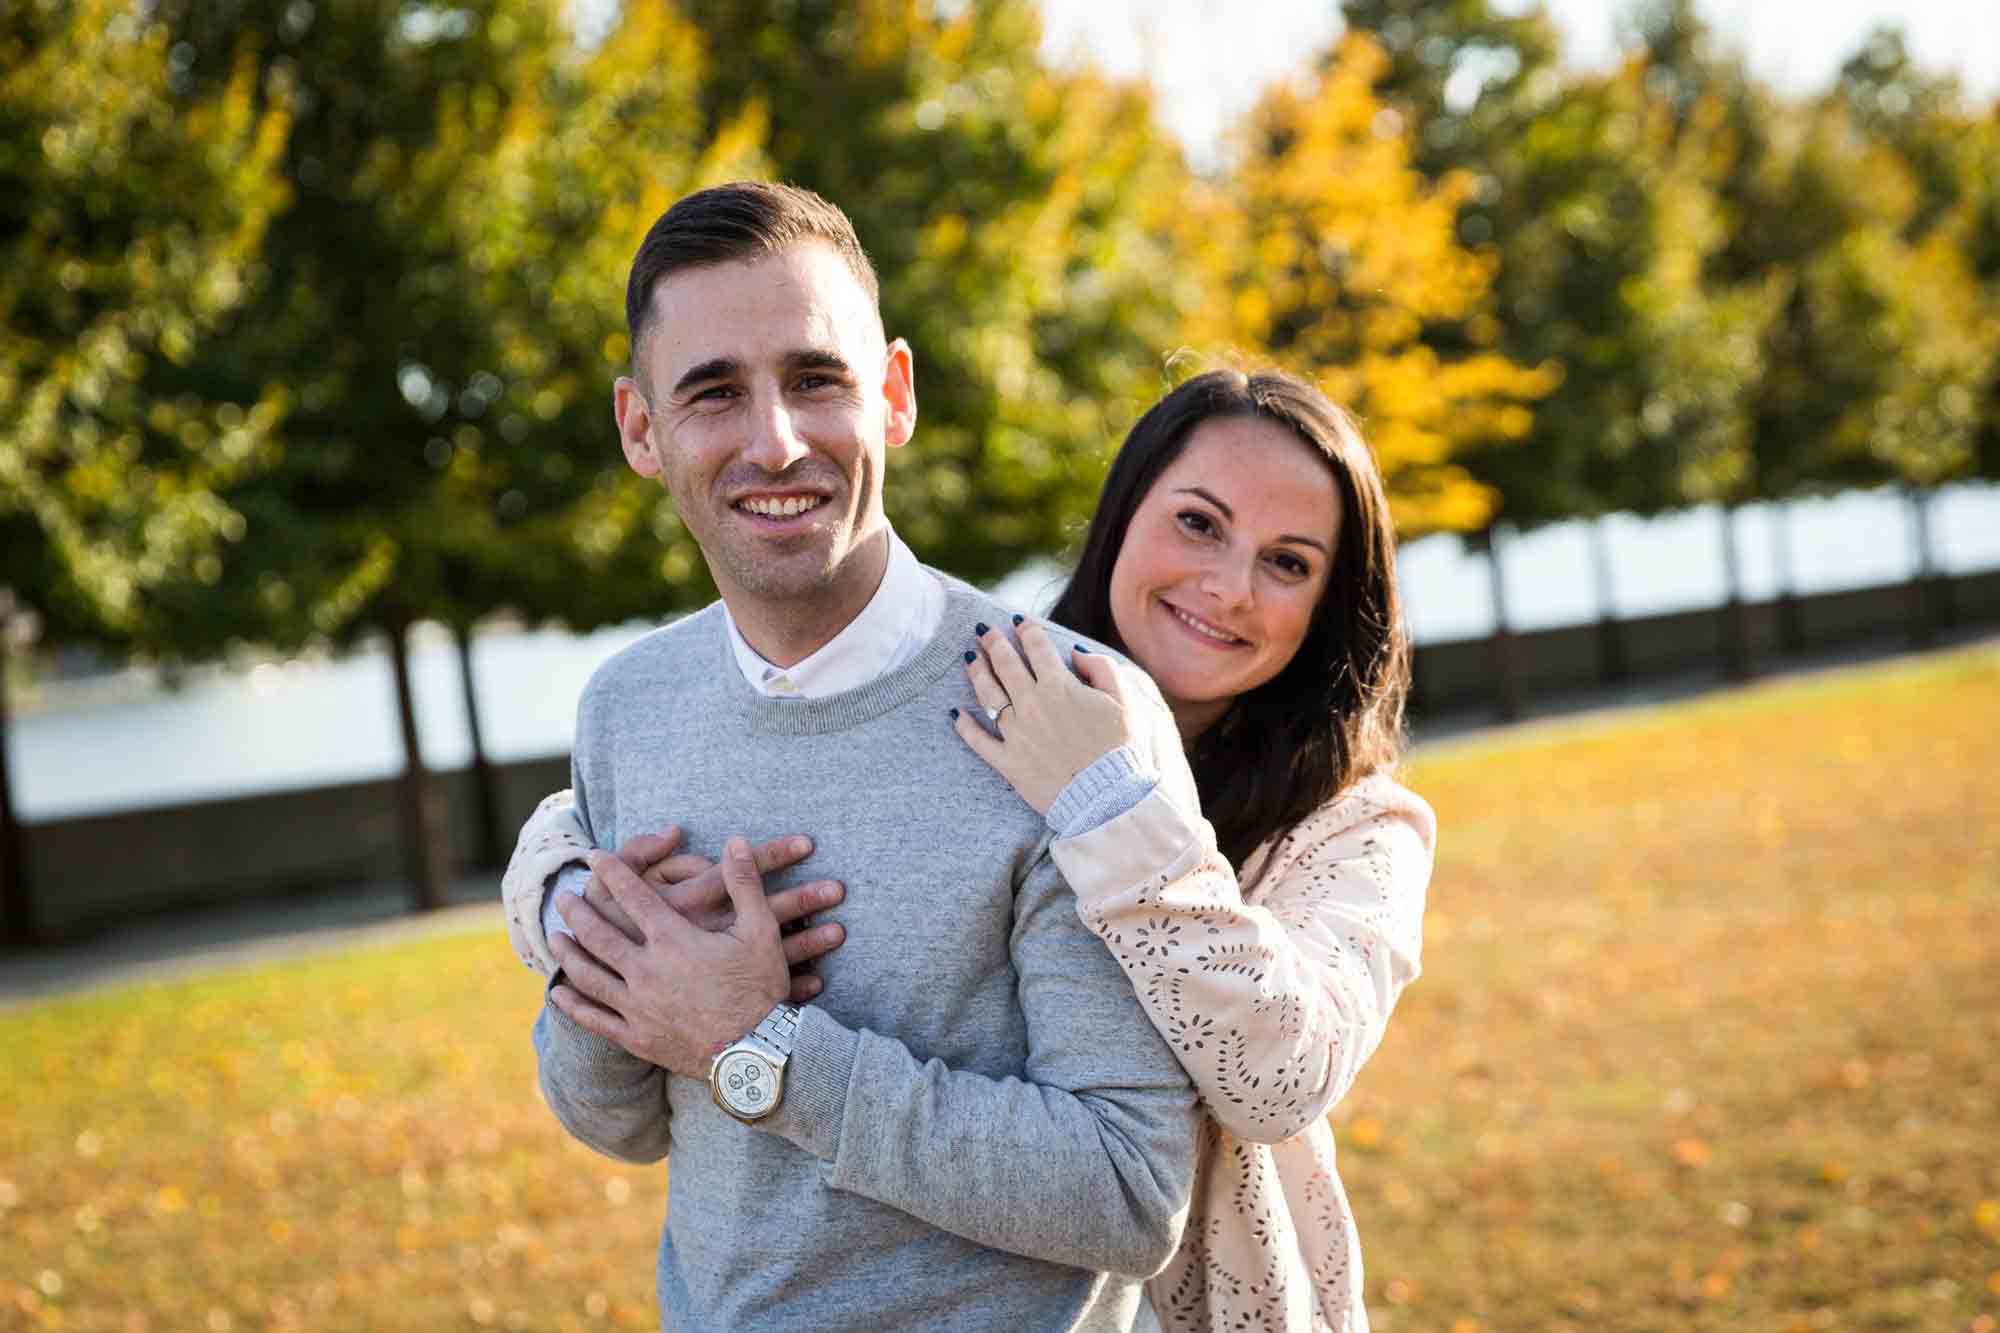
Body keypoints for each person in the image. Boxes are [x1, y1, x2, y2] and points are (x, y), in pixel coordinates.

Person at [510, 365, 1436, 1331]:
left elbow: (1281, 1075)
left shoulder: (1361, 829)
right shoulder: (985, 684)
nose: (1228, 586)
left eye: (1287, 563)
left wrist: (1104, 797)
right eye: (1198, 524)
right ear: (1122, 516)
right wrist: (568, 889)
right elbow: (574, 831)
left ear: (1330, 602)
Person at [514, 179, 1201, 1333]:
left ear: (891, 393)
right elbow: (618, 1121)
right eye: (714, 393)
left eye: (814, 379)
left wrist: (760, 1046)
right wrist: (606, 967)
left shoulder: (1068, 706)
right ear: (642, 429)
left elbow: (1129, 1191)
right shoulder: (627, 706)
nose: (773, 440)